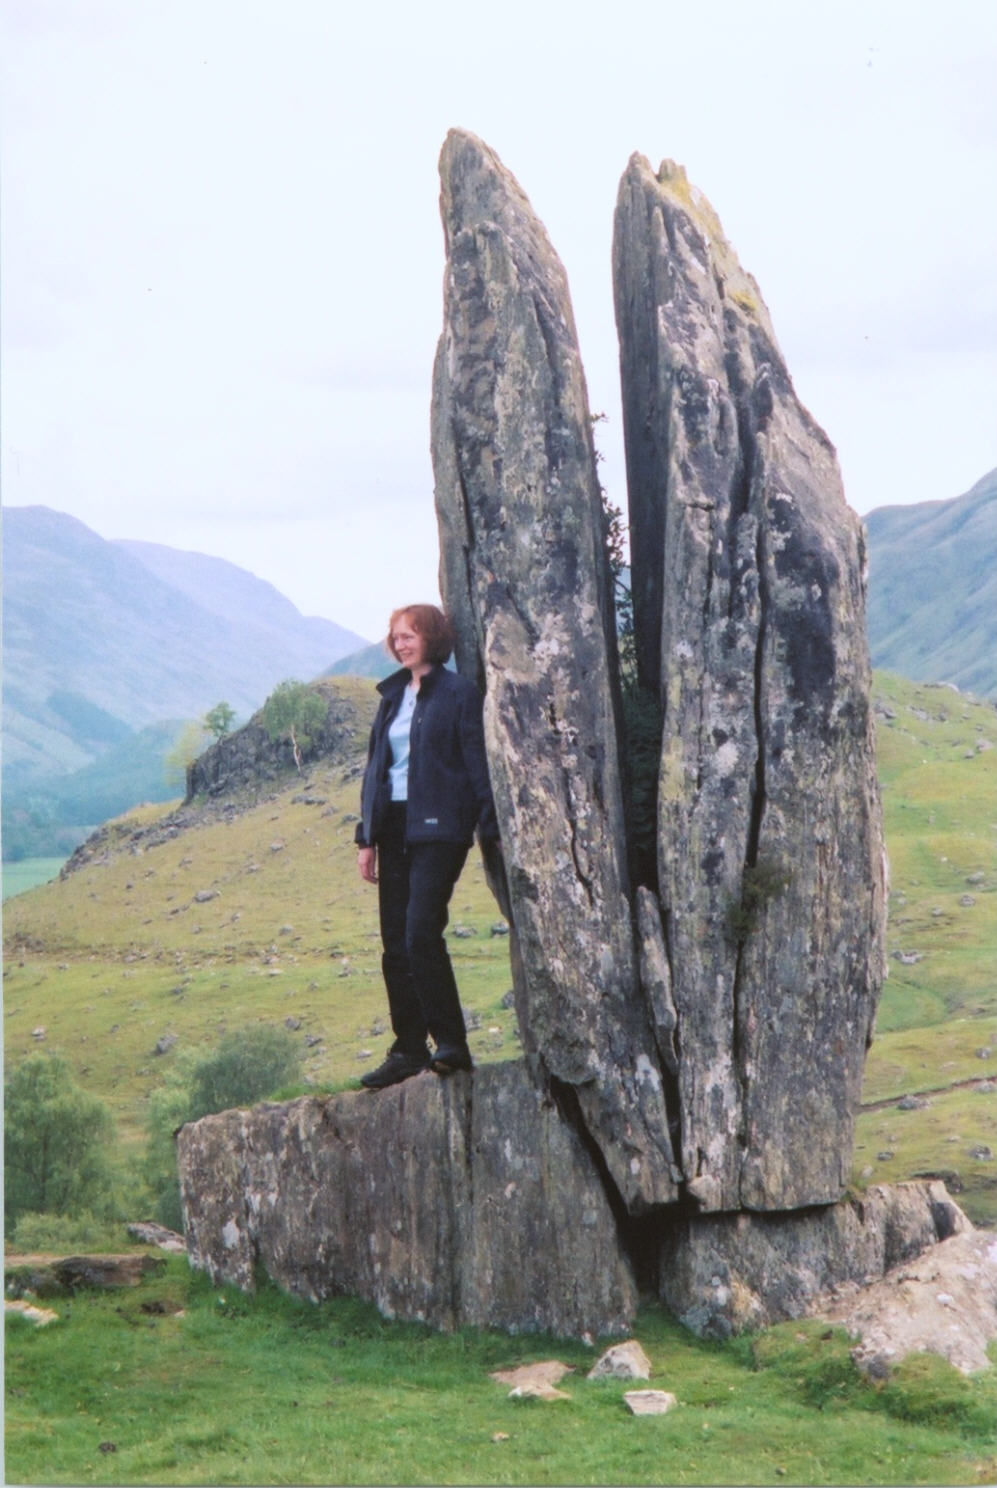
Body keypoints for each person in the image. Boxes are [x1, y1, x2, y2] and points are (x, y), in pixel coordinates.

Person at [355, 604, 498, 1090]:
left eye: (409, 635)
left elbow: (476, 760)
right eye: (395, 636)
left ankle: (452, 1044)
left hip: (439, 827)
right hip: (392, 827)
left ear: (432, 638)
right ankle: (409, 1049)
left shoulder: (459, 694)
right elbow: (377, 767)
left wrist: (488, 824)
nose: (400, 643)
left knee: (420, 934)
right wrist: (366, 838)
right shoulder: (392, 696)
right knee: (395, 944)